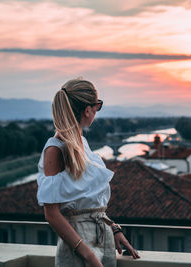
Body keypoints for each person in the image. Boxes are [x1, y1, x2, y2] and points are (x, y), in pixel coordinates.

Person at [36, 78, 140, 267]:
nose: (97, 111)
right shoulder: (55, 149)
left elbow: (88, 200)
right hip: (79, 245)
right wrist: (89, 255)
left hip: (102, 237)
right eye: (97, 106)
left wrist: (113, 228)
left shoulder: (81, 143)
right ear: (87, 110)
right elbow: (51, 214)